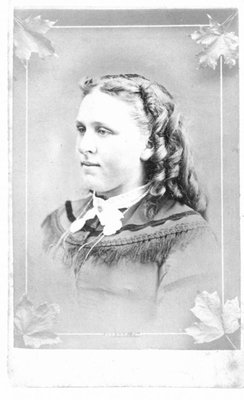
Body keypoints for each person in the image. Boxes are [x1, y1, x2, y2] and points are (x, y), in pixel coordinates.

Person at [42, 74, 221, 349]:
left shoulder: (184, 234)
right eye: (81, 129)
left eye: (102, 130)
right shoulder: (59, 222)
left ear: (148, 145)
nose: (84, 146)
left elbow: (178, 347)